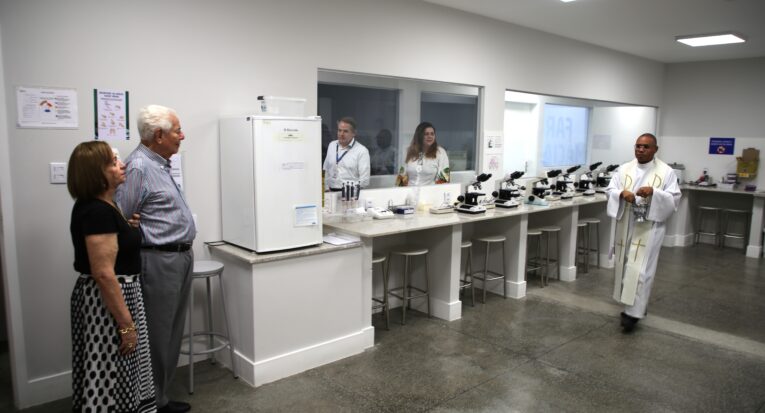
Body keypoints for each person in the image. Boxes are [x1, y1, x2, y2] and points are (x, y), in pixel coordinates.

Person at [116, 105, 196, 413]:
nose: (182, 136)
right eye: (177, 130)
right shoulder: (139, 166)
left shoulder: (160, 164)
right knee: (158, 335)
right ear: (159, 135)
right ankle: (153, 402)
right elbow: (122, 218)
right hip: (159, 261)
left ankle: (159, 396)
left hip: (178, 257)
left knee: (171, 333)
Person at [68, 141, 156, 412]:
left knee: (119, 366)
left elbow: (111, 250)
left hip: (115, 297)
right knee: (112, 369)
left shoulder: (104, 206)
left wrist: (126, 230)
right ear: (98, 173)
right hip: (107, 303)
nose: (122, 165)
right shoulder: (97, 212)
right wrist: (126, 325)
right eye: (114, 162)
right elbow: (104, 274)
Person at [606, 133, 681, 333]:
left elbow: (674, 198)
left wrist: (654, 192)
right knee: (625, 265)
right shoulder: (624, 168)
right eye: (638, 146)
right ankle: (631, 306)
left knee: (641, 269)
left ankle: (633, 313)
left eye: (646, 147)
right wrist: (621, 193)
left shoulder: (666, 172)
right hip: (626, 222)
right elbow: (610, 189)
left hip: (650, 225)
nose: (641, 149)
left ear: (655, 149)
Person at [323, 117, 370, 190]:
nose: (341, 134)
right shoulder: (332, 145)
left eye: (345, 131)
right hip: (330, 191)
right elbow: (326, 169)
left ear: (354, 133)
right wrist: (325, 188)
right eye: (339, 130)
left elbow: (365, 180)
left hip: (350, 193)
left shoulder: (362, 151)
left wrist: (347, 190)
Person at [399, 121, 450, 186]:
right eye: (426, 134)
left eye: (432, 134)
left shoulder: (440, 152)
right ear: (419, 136)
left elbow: (444, 180)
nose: (430, 136)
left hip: (430, 191)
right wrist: (400, 191)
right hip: (409, 191)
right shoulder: (408, 151)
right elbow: (401, 177)